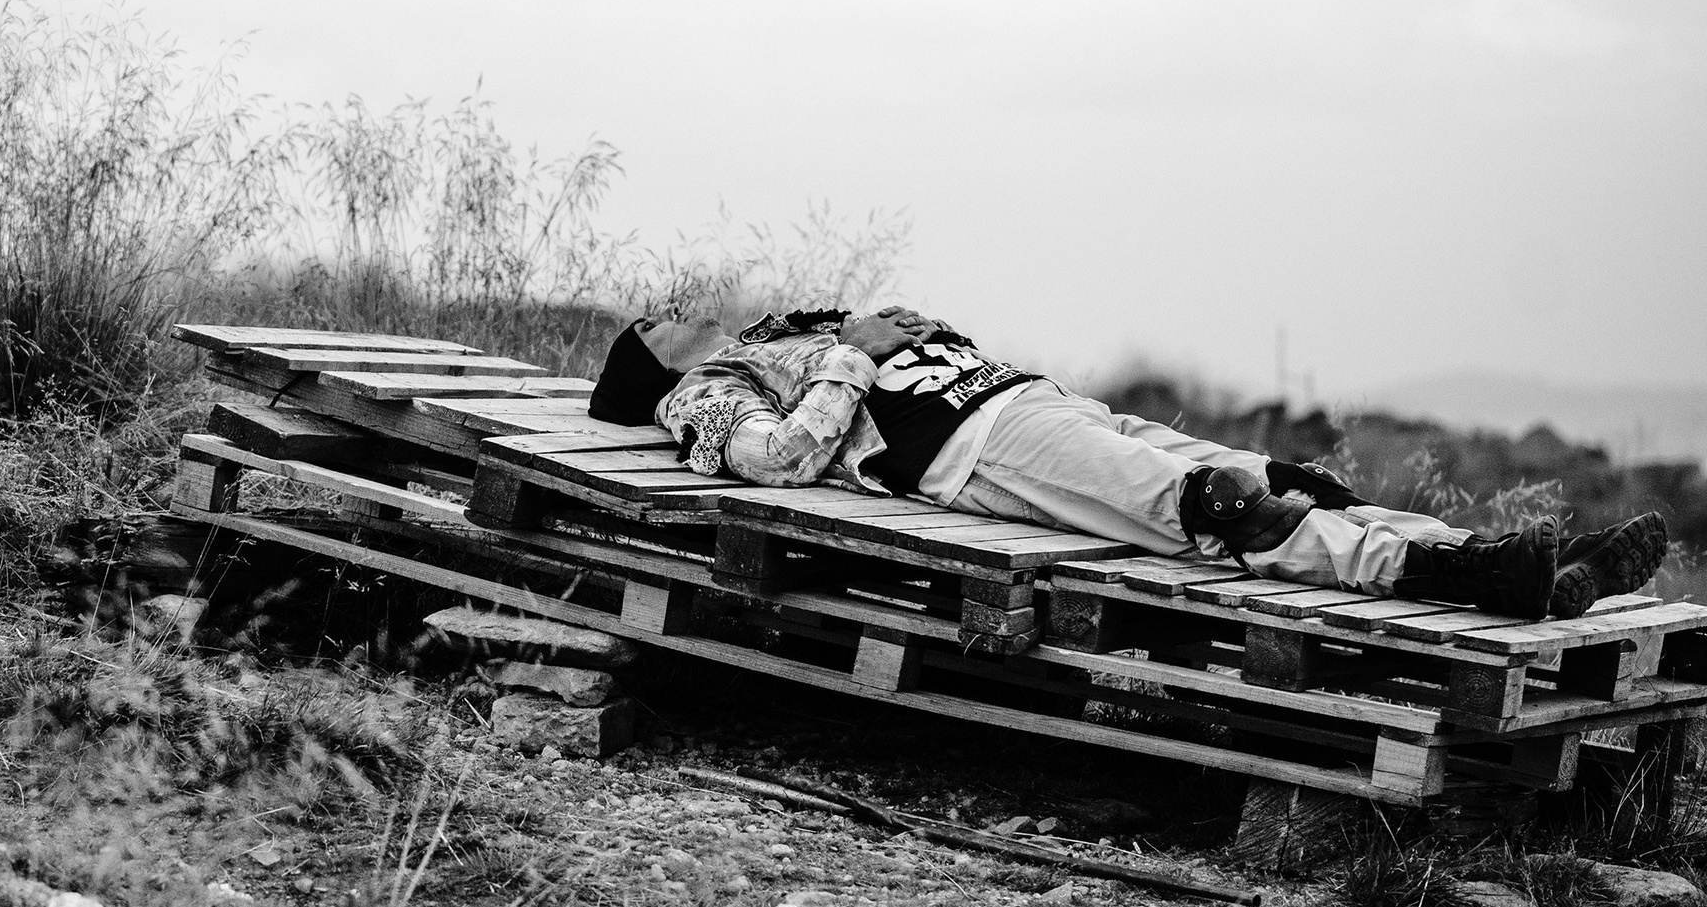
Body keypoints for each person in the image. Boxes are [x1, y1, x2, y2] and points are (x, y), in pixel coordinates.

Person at [587, 308, 1668, 623]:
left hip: (1041, 405)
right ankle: (1455, 578)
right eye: (658, 319)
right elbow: (778, 462)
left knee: (1290, 479)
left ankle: (1516, 558)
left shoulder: (779, 323)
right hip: (980, 448)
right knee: (1219, 509)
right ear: (651, 363)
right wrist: (843, 356)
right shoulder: (703, 393)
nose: (678, 305)